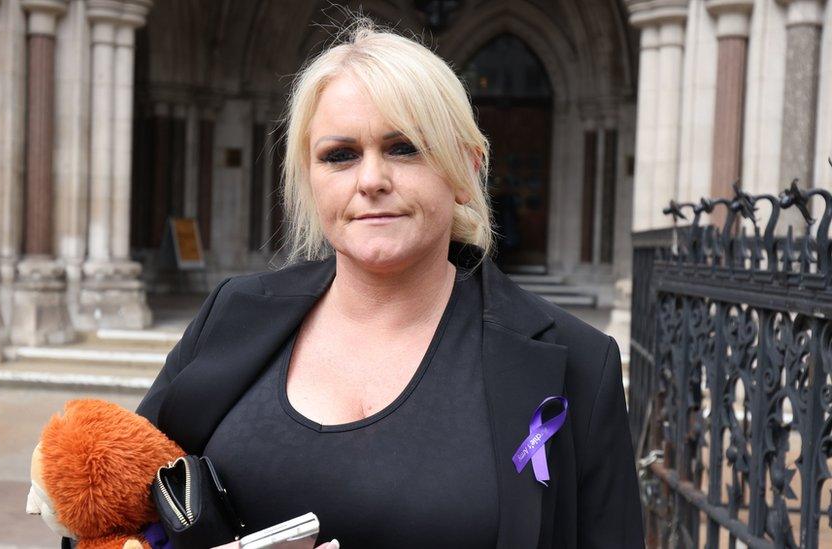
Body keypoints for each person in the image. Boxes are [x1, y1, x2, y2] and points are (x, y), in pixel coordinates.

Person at [133, 18, 644, 549]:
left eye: (405, 148)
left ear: (466, 170)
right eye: (339, 155)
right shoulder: (231, 316)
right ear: (309, 179)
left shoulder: (578, 363)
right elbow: (112, 504)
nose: (371, 179)